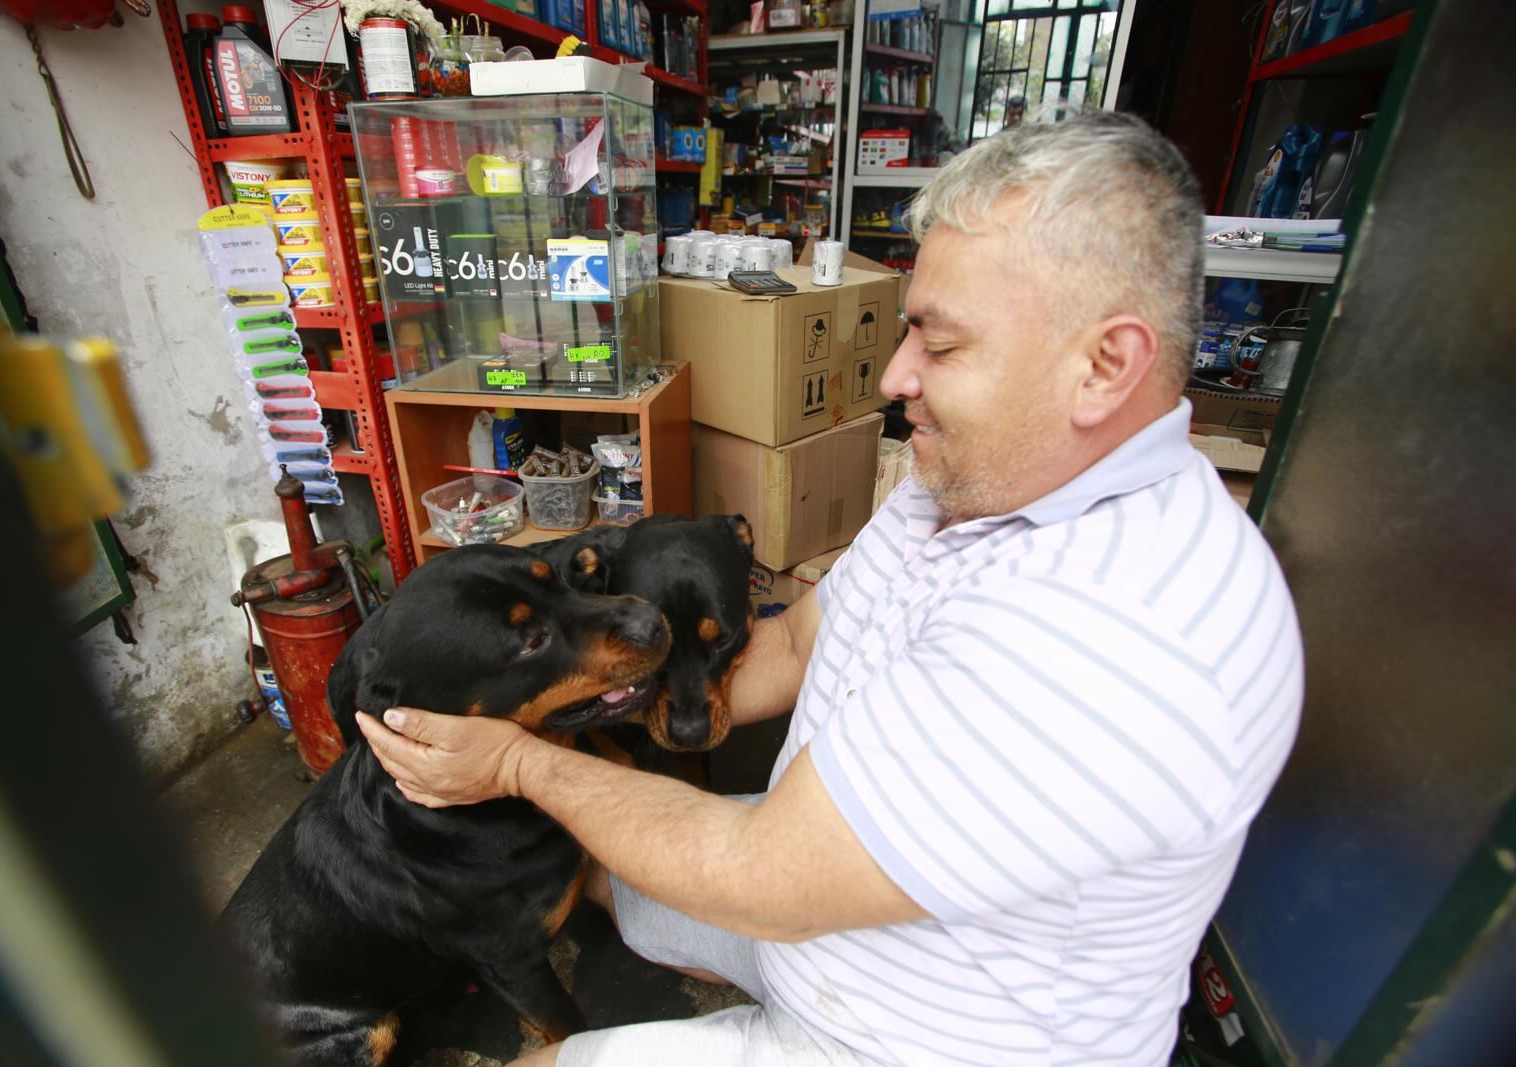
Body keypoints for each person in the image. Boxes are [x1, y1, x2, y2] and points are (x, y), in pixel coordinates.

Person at [357, 111, 1304, 1067]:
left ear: (1103, 366)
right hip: (838, 924)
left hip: (912, 1037)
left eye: (941, 345)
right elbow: (806, 643)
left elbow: (756, 870)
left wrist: (518, 765)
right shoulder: (973, 483)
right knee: (604, 867)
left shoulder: (1122, 629)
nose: (895, 376)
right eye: (906, 334)